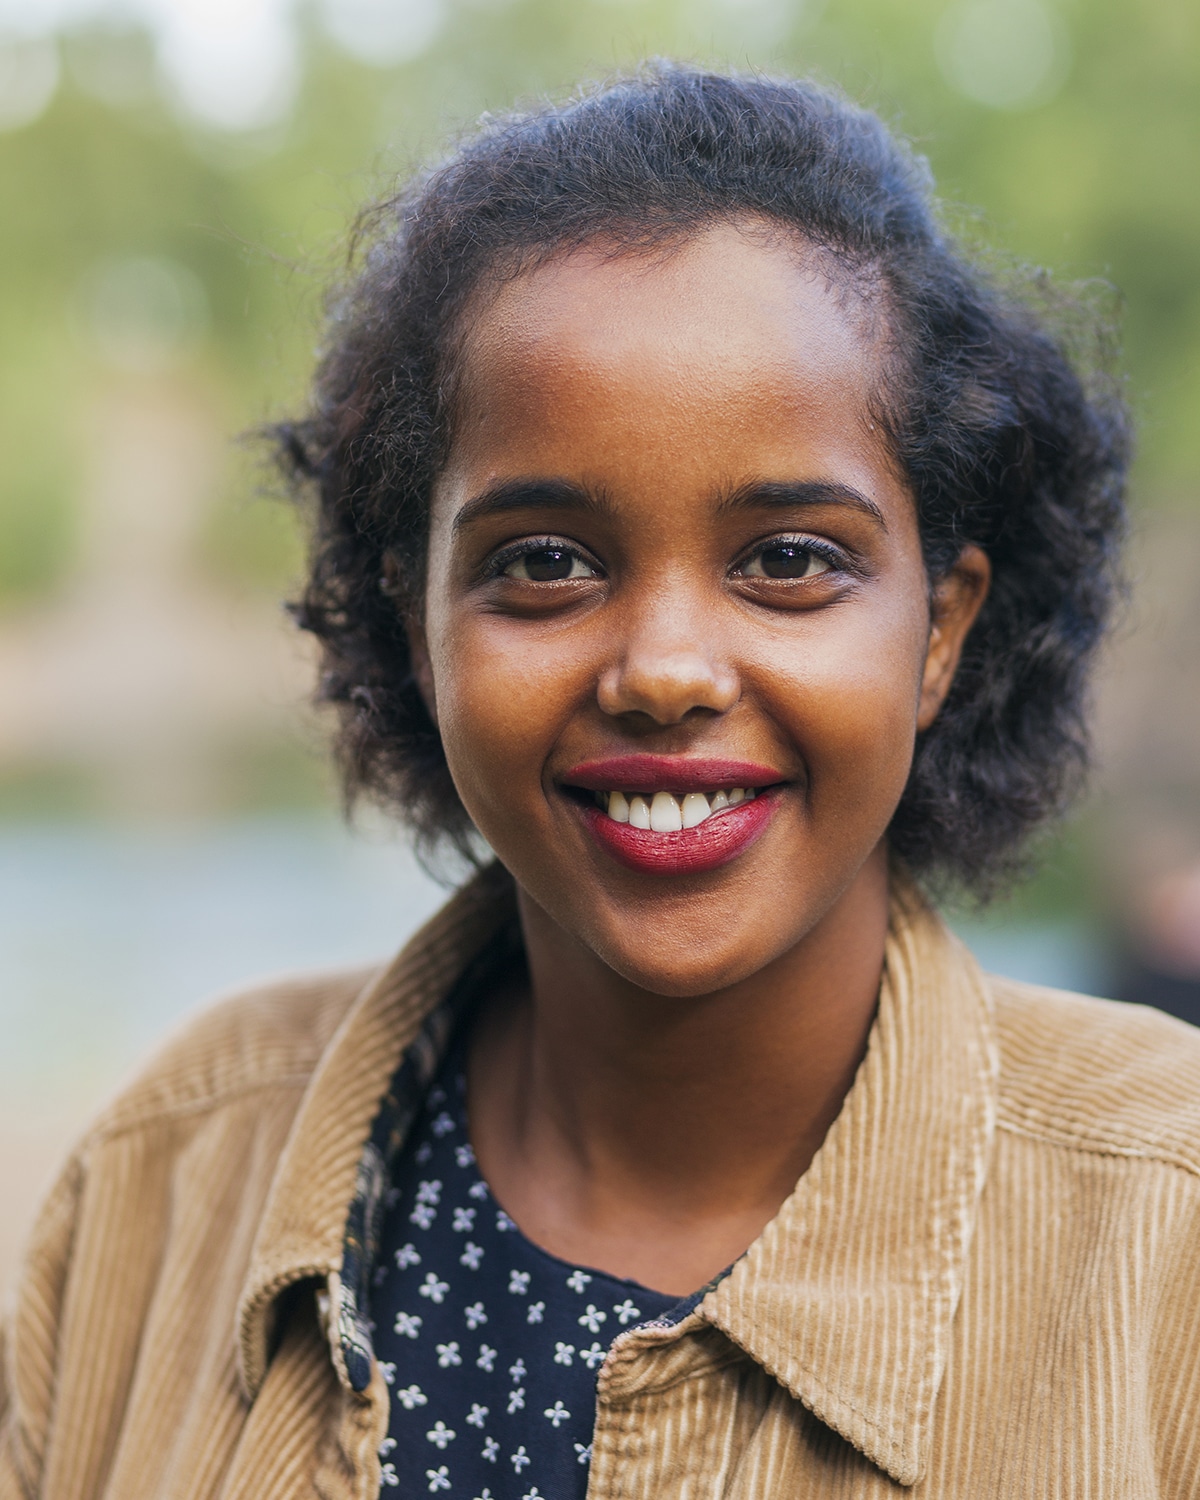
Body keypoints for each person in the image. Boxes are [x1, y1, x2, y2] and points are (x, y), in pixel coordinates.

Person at [4, 66, 1199, 1500]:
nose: (666, 669)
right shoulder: (169, 1170)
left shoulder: (1162, 1237)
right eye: (545, 563)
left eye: (791, 560)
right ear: (416, 624)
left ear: (939, 630)